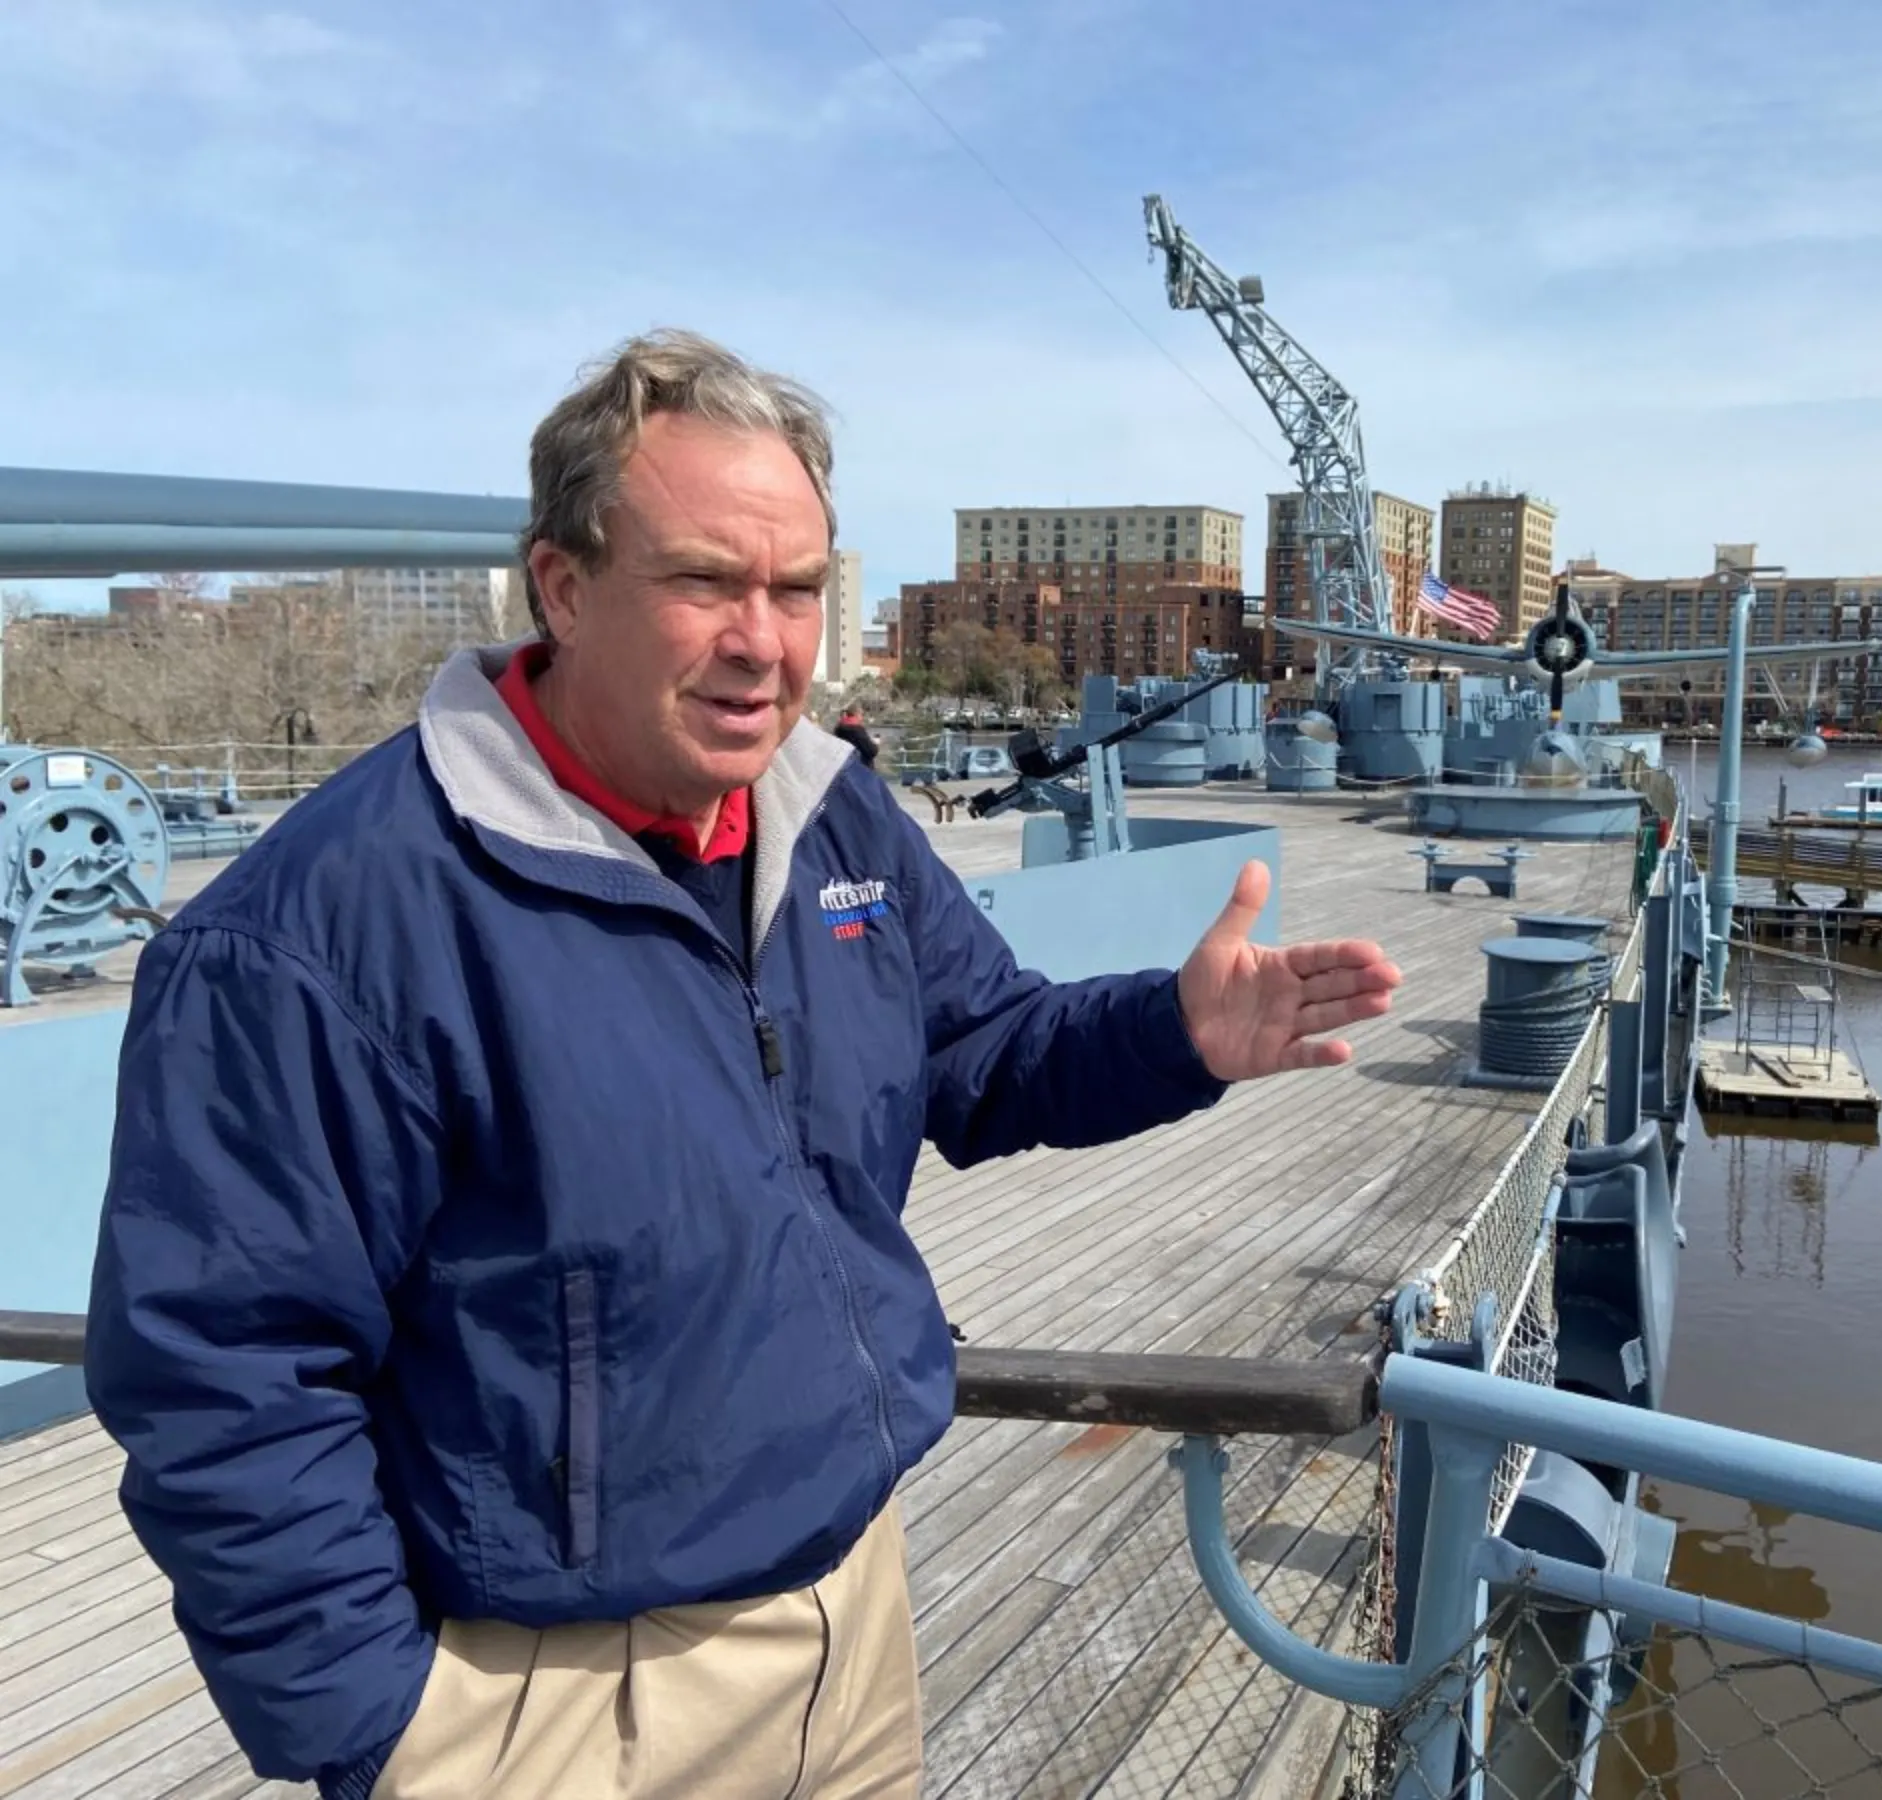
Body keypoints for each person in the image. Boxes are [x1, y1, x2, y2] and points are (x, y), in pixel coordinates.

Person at [83, 328, 1401, 1800]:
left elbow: (979, 1049)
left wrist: (1176, 1033)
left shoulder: (831, 819)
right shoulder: (329, 926)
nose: (763, 642)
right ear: (565, 586)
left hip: (851, 1614)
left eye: (797, 591)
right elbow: (226, 1370)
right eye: (705, 579)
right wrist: (387, 1741)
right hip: (561, 1695)